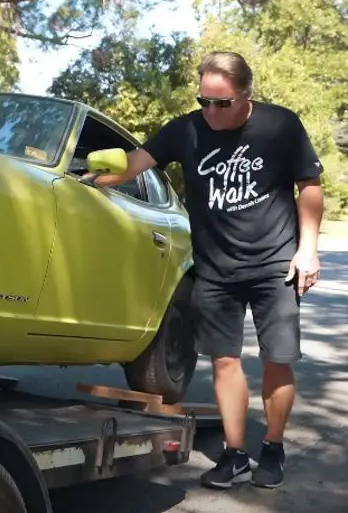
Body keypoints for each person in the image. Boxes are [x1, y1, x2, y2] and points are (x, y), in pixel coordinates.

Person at [87, 51, 324, 490]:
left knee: (278, 360)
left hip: (276, 263)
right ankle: (234, 455)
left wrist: (308, 249)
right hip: (215, 267)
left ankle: (272, 447)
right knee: (224, 361)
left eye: (222, 103)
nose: (211, 112)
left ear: (246, 95)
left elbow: (309, 186)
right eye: (204, 102)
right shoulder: (186, 130)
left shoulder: (280, 126)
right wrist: (92, 176)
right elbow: (134, 163)